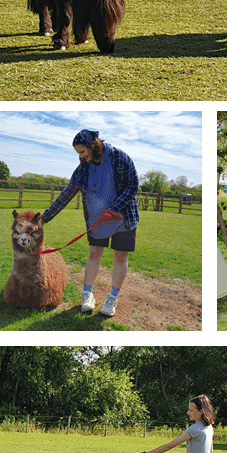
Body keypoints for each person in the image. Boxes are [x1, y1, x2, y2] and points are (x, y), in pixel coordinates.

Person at [40, 129, 139, 316]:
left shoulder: (120, 157)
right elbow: (67, 193)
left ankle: (112, 297)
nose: (81, 156)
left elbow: (133, 184)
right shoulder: (83, 168)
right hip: (97, 220)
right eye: (78, 153)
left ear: (93, 145)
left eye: (82, 151)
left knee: (120, 256)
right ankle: (87, 294)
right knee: (94, 253)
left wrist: (115, 208)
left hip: (123, 216)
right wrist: (44, 218)